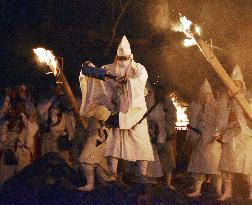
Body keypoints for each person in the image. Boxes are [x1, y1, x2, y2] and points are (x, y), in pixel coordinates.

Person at [103, 36, 154, 181]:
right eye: (120, 58)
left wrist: (128, 81)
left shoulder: (139, 68)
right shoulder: (111, 69)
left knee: (141, 143)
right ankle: (112, 173)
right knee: (114, 143)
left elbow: (141, 80)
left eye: (125, 58)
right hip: (119, 112)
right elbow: (103, 79)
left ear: (130, 56)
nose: (123, 61)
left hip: (136, 113)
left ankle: (141, 175)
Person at [217, 65, 252, 201]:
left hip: (244, 136)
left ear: (241, 85)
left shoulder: (248, 99)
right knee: (226, 167)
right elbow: (221, 119)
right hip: (229, 136)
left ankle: (251, 191)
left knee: (248, 167)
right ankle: (228, 191)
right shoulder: (225, 101)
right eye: (231, 84)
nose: (233, 87)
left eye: (236, 84)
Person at [186, 79, 222, 197]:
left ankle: (218, 190)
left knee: (215, 166)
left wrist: (217, 134)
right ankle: (197, 190)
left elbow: (220, 122)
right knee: (199, 166)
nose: (205, 97)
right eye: (203, 95)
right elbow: (193, 122)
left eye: (207, 94)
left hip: (212, 141)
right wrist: (191, 135)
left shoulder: (216, 106)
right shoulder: (196, 106)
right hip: (200, 140)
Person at [77, 105, 111, 191]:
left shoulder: (100, 105)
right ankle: (103, 183)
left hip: (98, 135)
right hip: (95, 134)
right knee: (95, 162)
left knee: (86, 159)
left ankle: (91, 184)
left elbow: (96, 114)